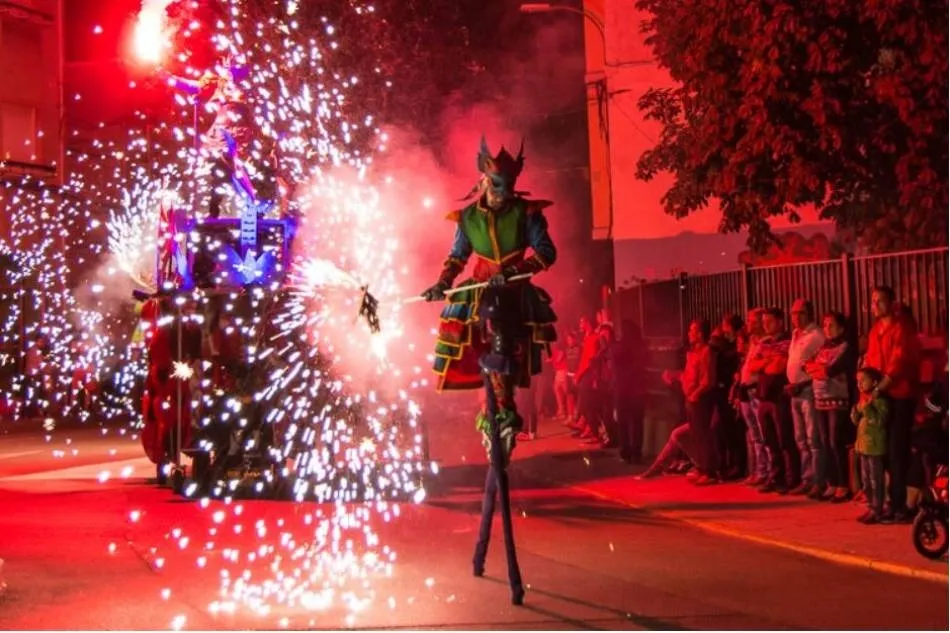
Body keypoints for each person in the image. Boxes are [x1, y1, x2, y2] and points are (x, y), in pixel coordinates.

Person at [422, 136, 558, 455]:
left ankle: (505, 409)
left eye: (508, 184)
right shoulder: (468, 218)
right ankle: (489, 407)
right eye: (498, 184)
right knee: (477, 343)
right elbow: (457, 257)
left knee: (503, 337)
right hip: (480, 288)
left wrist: (512, 271)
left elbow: (546, 253)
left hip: (514, 290)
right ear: (484, 178)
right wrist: (443, 282)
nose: (504, 191)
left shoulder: (527, 213)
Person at [862, 286, 920, 522]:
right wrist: (868, 388)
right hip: (881, 395)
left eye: (880, 301)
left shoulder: (902, 327)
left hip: (900, 394)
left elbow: (899, 362)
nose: (876, 305)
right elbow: (871, 360)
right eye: (873, 301)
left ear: (892, 303)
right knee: (883, 451)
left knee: (897, 451)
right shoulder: (876, 330)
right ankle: (888, 502)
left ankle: (900, 506)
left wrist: (879, 387)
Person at [805, 312, 856, 502]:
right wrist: (818, 370)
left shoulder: (845, 347)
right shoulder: (823, 347)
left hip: (837, 401)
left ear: (841, 328)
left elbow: (831, 370)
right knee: (825, 441)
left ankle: (843, 485)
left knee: (836, 442)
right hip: (819, 400)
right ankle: (831, 482)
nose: (827, 329)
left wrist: (820, 370)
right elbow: (807, 366)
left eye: (832, 325)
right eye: (825, 325)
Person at [749, 308, 800, 494]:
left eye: (769, 321)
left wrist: (767, 362)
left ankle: (791, 479)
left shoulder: (788, 341)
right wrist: (767, 361)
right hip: (763, 396)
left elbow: (779, 367)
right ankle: (775, 477)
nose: (765, 325)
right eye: (764, 322)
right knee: (769, 441)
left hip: (779, 396)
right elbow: (752, 366)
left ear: (780, 321)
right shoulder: (764, 343)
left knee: (785, 439)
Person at [786, 299, 826, 496]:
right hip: (794, 391)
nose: (796, 317)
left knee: (813, 439)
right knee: (800, 439)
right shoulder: (795, 334)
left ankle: (818, 481)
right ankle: (807, 478)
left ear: (809, 314)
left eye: (800, 313)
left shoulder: (816, 335)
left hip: (808, 390)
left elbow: (820, 363)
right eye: (793, 313)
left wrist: (803, 381)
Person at [734, 308, 770, 485]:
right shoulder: (754, 342)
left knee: (762, 434)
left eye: (751, 321)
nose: (748, 324)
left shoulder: (765, 342)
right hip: (746, 391)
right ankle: (758, 470)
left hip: (757, 391)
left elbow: (760, 366)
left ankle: (767, 472)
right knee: (754, 435)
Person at [680, 319, 717, 484]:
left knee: (703, 435)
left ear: (701, 334)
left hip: (700, 399)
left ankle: (709, 471)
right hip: (690, 398)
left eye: (693, 330)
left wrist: (696, 393)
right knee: (696, 435)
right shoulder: (692, 352)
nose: (689, 333)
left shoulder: (706, 352)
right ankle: (701, 467)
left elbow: (707, 380)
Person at [852, 367, 889, 524]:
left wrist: (867, 407)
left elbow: (879, 421)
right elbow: (858, 422)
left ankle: (877, 509)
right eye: (858, 382)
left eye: (863, 381)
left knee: (875, 480)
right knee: (866, 480)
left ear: (874, 382)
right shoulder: (863, 400)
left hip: (874, 447)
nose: (860, 385)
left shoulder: (880, 401)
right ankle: (870, 507)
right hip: (863, 447)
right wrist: (855, 413)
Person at [609, 320, 649, 463]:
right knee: (637, 423)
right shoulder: (641, 346)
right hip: (638, 390)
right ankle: (636, 453)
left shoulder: (621, 347)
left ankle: (625, 452)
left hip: (623, 389)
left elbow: (614, 360)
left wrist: (611, 340)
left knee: (623, 423)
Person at [712, 313, 746, 479]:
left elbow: (735, 362)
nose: (722, 328)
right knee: (720, 429)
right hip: (723, 391)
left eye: (725, 325)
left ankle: (736, 466)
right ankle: (725, 464)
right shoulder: (723, 345)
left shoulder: (735, 346)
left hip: (732, 390)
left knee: (732, 430)